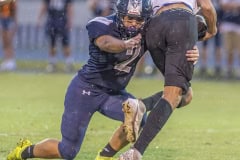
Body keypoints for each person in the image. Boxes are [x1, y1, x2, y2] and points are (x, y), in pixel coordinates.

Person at [6, 0, 199, 160]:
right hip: (85, 90)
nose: (133, 23)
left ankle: (104, 156)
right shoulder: (102, 24)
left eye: (138, 20)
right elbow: (105, 43)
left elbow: (171, 42)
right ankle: (24, 151)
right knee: (68, 151)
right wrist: (124, 44)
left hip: (113, 94)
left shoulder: (147, 31)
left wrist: (190, 51)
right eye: (129, 18)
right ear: (120, 15)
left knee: (138, 118)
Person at [119, 0, 217, 159]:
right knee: (173, 94)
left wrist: (188, 39)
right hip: (181, 18)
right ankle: (135, 152)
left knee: (185, 95)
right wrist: (212, 29)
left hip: (154, 26)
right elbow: (206, 6)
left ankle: (142, 105)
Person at [37, 0, 74, 73]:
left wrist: (70, 21)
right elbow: (44, 5)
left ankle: (68, 62)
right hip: (52, 19)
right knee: (52, 42)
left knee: (65, 43)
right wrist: (39, 18)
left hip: (62, 19)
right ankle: (52, 62)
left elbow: (70, 7)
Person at [199, 0, 222, 78]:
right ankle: (204, 66)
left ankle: (217, 67)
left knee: (218, 47)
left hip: (217, 23)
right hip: (206, 23)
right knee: (205, 46)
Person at [220, 0, 240, 78]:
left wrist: (231, 5)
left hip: (238, 26)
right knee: (229, 50)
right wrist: (235, 6)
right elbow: (223, 6)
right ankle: (229, 70)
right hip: (227, 26)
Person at [0, 0, 17, 71]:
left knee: (9, 40)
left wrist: (15, 21)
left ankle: (11, 61)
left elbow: (15, 8)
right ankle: (6, 60)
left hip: (9, 18)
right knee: (4, 41)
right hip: (2, 18)